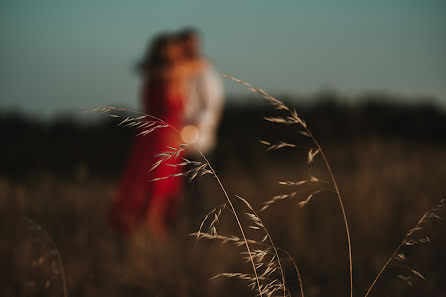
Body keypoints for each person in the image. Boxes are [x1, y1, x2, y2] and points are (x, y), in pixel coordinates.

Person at [108, 33, 204, 237]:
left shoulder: (152, 72)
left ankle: (148, 234)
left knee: (154, 186)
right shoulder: (173, 73)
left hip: (153, 135)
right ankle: (152, 235)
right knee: (158, 190)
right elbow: (201, 65)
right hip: (164, 136)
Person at [177, 28, 225, 228]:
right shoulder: (181, 71)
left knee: (198, 191)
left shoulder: (205, 72)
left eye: (192, 43)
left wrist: (193, 129)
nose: (189, 47)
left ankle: (203, 231)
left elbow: (212, 104)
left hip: (198, 143)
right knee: (184, 192)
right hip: (178, 142)